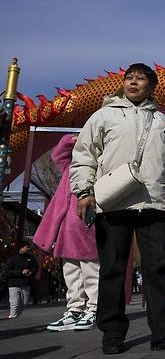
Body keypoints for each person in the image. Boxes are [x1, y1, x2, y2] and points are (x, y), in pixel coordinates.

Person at [70, 63, 165, 354]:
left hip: (154, 202)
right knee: (112, 270)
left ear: (151, 87)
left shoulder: (164, 122)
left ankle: (164, 334)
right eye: (129, 78)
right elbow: (84, 155)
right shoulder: (103, 116)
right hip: (114, 203)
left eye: (140, 79)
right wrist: (84, 192)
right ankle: (112, 334)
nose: (133, 83)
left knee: (157, 270)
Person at [33, 134, 100, 331]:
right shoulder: (70, 167)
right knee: (71, 271)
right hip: (67, 227)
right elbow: (58, 154)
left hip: (88, 224)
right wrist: (75, 138)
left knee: (91, 270)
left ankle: (94, 308)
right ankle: (74, 309)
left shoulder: (99, 167)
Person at [5, 241, 37, 318]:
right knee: (15, 302)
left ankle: (16, 315)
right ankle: (12, 316)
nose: (28, 248)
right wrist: (20, 272)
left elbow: (35, 267)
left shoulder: (31, 258)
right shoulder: (12, 259)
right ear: (21, 248)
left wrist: (31, 272)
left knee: (25, 302)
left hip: (25, 283)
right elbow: (8, 271)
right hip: (14, 284)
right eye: (27, 247)